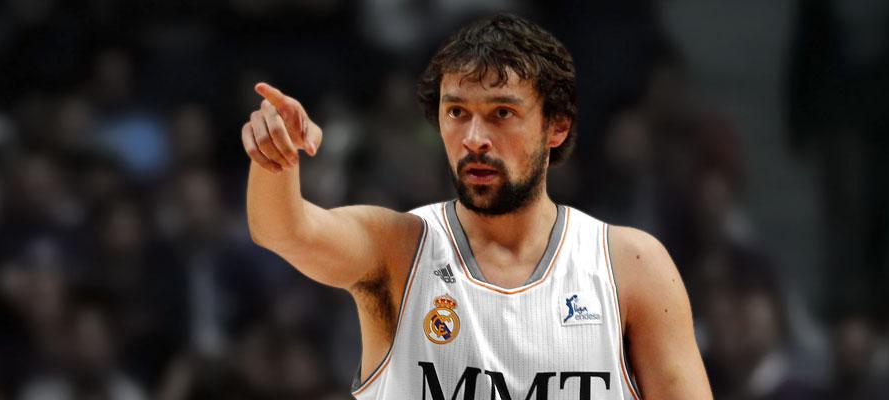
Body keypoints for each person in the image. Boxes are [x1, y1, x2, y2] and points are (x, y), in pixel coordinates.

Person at [241, 14, 711, 399]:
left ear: (557, 127)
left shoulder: (632, 266)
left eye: (501, 113)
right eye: (457, 112)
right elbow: (285, 231)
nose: (474, 139)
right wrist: (274, 159)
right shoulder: (398, 250)